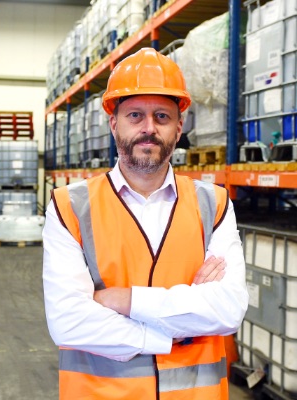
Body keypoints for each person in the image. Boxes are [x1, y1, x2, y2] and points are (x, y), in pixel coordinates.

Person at [43, 47, 249, 400]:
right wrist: (174, 333)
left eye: (162, 117)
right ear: (114, 123)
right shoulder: (70, 207)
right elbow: (68, 322)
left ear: (179, 126)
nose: (149, 128)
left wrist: (124, 300)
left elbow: (228, 310)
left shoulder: (213, 204)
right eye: (135, 115)